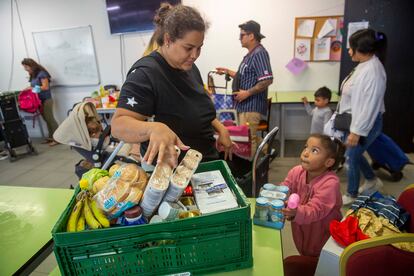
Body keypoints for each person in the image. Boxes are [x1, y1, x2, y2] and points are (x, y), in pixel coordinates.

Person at [111, 4, 233, 168]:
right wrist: (153, 128)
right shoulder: (145, 73)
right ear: (168, 40)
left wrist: (221, 129)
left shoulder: (188, 66)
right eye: (188, 48)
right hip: (172, 170)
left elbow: (199, 107)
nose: (195, 55)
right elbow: (118, 125)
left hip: (204, 161)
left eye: (199, 48)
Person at [339, 29, 387, 205]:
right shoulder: (364, 64)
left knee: (352, 157)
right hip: (356, 120)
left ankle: (351, 194)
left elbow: (370, 106)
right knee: (356, 155)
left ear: (363, 50)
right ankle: (372, 180)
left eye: (351, 48)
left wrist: (356, 132)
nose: (349, 51)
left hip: (365, 123)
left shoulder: (373, 71)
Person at [281, 134, 345, 257]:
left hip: (322, 232)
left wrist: (296, 212)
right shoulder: (297, 172)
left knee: (317, 258)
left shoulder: (330, 183)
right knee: (304, 250)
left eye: (314, 150)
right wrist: (276, 193)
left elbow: (315, 209)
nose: (305, 153)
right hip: (302, 228)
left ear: (328, 162)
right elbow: (286, 187)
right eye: (306, 147)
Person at [216, 20, 273, 155]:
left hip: (251, 105)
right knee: (249, 136)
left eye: (242, 35)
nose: (239, 38)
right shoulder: (250, 55)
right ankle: (267, 152)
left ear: (251, 36)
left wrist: (247, 93)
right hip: (244, 105)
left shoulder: (259, 53)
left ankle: (251, 171)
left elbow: (267, 79)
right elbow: (246, 76)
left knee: (248, 139)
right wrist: (228, 72)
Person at [21, 58, 59, 146]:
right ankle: (51, 137)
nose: (25, 69)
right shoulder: (33, 75)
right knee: (46, 119)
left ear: (32, 66)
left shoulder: (42, 74)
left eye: (26, 67)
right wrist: (28, 89)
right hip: (38, 101)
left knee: (50, 119)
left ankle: (58, 139)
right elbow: (34, 88)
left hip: (46, 100)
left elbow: (45, 87)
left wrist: (32, 89)